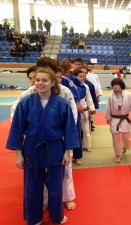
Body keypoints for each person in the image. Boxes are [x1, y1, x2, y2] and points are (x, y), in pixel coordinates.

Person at [6, 67, 79, 225]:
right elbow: (17, 128)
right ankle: (35, 218)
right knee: (32, 188)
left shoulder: (61, 103)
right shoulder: (25, 102)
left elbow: (69, 129)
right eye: (37, 80)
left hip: (55, 148)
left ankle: (57, 216)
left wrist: (68, 151)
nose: (40, 83)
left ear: (53, 82)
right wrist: (18, 153)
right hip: (32, 149)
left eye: (45, 80)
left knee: (55, 188)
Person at [105, 78, 131, 163]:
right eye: (113, 85)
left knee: (126, 138)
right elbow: (108, 107)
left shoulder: (128, 95)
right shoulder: (110, 96)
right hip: (114, 119)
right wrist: (108, 117)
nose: (115, 86)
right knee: (115, 139)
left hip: (125, 119)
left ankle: (125, 146)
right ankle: (117, 155)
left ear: (121, 85)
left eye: (117, 84)